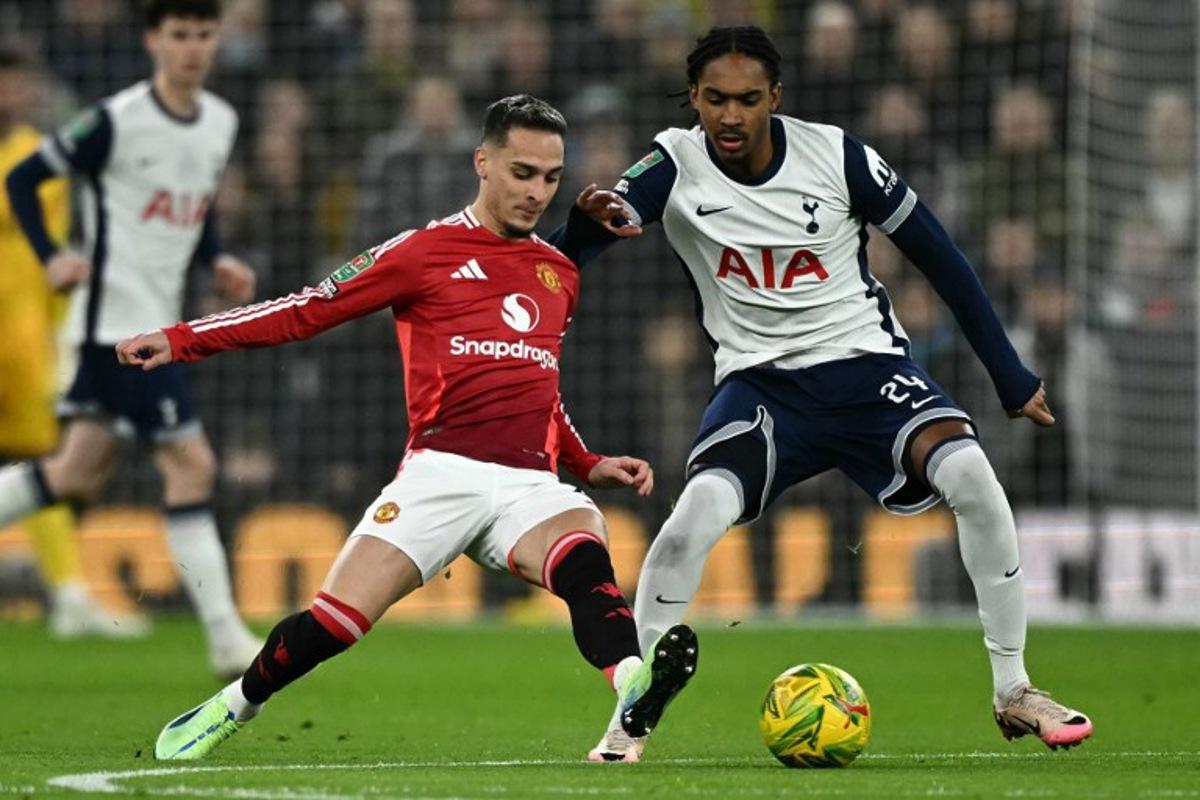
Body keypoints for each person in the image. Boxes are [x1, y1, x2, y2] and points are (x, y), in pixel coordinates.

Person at [549, 25, 1092, 755]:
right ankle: (633, 712)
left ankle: (1014, 690)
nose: (731, 116)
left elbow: (942, 258)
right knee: (690, 520)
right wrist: (580, 231)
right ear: (693, 100)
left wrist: (1009, 374)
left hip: (867, 369)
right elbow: (580, 249)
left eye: (747, 99)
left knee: (971, 474)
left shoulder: (837, 156)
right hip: (761, 388)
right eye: (714, 100)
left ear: (775, 95)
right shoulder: (671, 164)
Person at [118, 94, 698, 763]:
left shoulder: (558, 272)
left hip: (528, 484)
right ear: (482, 162)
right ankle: (234, 703)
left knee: (584, 552)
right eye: (521, 172)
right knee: (336, 622)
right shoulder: (423, 251)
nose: (536, 190)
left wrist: (584, 460)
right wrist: (182, 338)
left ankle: (634, 689)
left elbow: (536, 380)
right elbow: (305, 311)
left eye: (549, 176)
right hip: (440, 472)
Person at [0, 0, 259, 676]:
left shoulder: (220, 122)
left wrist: (215, 259)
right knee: (192, 464)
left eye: (205, 35)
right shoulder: (116, 120)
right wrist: (52, 254)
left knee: (75, 471)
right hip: (116, 326)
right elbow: (22, 179)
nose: (193, 49)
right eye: (179, 35)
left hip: (155, 323)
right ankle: (229, 639)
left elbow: (192, 202)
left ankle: (229, 637)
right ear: (153, 40)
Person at [0, 47, 148, 638]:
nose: (12, 94)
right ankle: (68, 593)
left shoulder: (39, 158)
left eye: (18, 82)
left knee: (44, 462)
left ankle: (68, 593)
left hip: (24, 338)